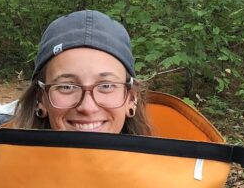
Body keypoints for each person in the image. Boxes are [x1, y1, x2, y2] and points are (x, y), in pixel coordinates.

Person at [10, 9, 151, 136]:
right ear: (40, 99)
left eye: (106, 86)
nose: (87, 108)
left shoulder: (164, 163)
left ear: (131, 98)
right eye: (67, 87)